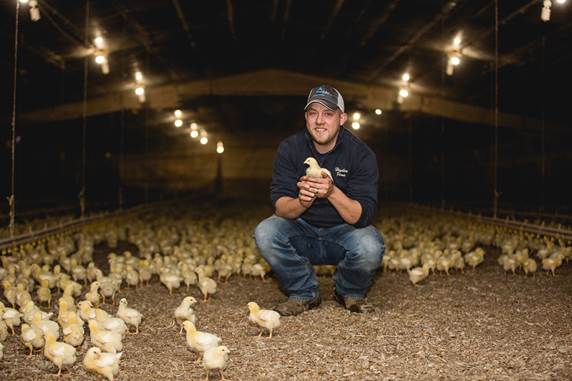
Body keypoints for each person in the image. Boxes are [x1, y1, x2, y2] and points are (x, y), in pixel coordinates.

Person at [254, 84, 385, 316]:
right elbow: (281, 208)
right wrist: (302, 202)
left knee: (370, 245)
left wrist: (332, 192)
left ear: (342, 118)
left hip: (343, 233)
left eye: (328, 114)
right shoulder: (290, 149)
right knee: (265, 232)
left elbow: (360, 215)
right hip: (302, 231)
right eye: (313, 113)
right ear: (306, 118)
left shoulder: (360, 154)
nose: (319, 121)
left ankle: (348, 291)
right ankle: (304, 292)